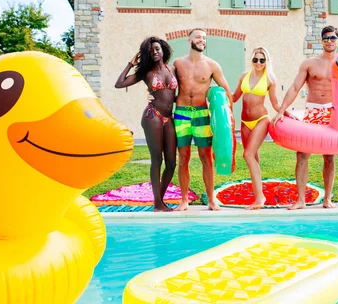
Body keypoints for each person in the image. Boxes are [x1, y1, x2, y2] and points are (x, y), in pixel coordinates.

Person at [272, 26, 338, 210]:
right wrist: (281, 110)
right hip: (313, 111)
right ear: (321, 40)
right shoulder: (310, 63)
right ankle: (301, 200)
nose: (329, 41)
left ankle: (327, 199)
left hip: (332, 112)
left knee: (329, 157)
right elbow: (295, 87)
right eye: (326, 38)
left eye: (332, 38)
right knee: (302, 155)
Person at [114, 36, 178, 212]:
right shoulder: (146, 72)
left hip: (169, 118)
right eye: (150, 51)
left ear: (163, 49)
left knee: (172, 163)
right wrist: (131, 64)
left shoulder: (172, 69)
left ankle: (160, 200)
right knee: (157, 159)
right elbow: (119, 84)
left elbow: (175, 94)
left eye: (157, 48)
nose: (155, 52)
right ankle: (158, 203)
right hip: (153, 116)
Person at [173, 28, 232, 211]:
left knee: (206, 156)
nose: (202, 40)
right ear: (189, 40)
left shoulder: (212, 65)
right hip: (181, 113)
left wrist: (228, 115)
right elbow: (167, 85)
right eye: (198, 37)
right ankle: (184, 200)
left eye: (204, 38)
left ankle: (212, 200)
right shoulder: (177, 63)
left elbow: (226, 89)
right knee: (183, 157)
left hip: (201, 113)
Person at [232, 47, 291, 210]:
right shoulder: (244, 76)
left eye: (262, 60)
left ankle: (260, 198)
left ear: (267, 61)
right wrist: (217, 95)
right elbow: (235, 97)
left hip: (260, 120)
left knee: (248, 155)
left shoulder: (270, 79)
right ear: (252, 60)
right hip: (245, 121)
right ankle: (259, 192)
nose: (258, 63)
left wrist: (285, 113)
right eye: (255, 59)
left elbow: (275, 103)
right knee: (254, 159)